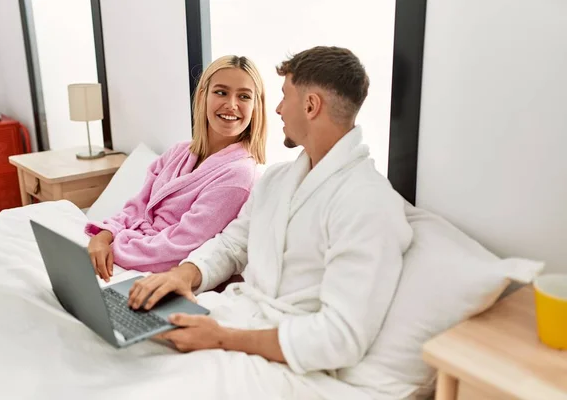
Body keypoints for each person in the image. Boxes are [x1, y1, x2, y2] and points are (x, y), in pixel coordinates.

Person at [128, 46, 413, 397]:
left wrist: (221, 338)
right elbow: (233, 244)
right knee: (121, 347)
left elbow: (342, 337)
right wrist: (181, 276)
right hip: (230, 316)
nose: (276, 109)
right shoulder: (278, 179)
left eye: (283, 96)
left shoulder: (367, 202)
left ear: (310, 106)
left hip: (281, 357)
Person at [85, 55, 267, 281]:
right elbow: (137, 207)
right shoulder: (178, 152)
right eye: (221, 92)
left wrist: (114, 248)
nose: (231, 105)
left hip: (160, 271)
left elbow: (183, 245)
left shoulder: (239, 175)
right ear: (202, 96)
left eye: (244, 96)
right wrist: (104, 235)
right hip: (130, 253)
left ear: (255, 106)